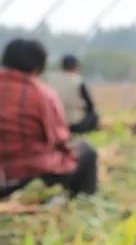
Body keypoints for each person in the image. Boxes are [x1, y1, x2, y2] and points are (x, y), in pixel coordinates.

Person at [0, 39, 98, 198]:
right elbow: (60, 139)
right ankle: (81, 201)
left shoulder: (50, 83)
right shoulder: (41, 93)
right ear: (38, 67)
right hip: (29, 176)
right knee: (86, 151)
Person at [45, 54, 99, 133]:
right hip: (74, 125)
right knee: (94, 116)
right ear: (76, 67)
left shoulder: (51, 80)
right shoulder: (78, 81)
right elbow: (90, 106)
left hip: (54, 124)